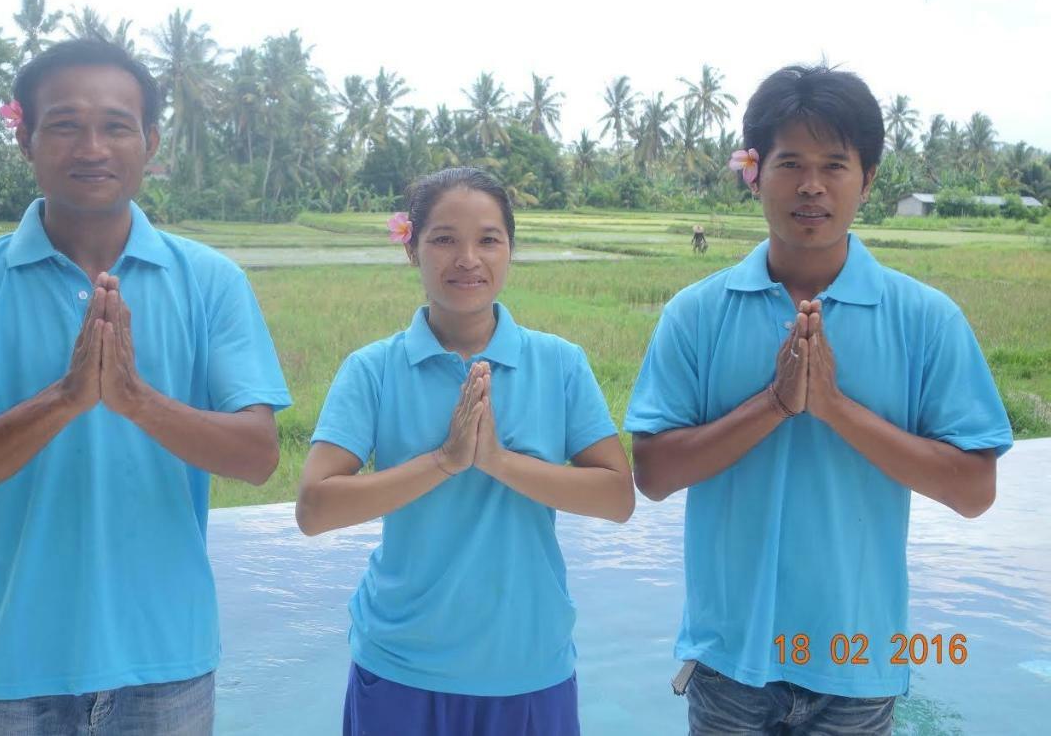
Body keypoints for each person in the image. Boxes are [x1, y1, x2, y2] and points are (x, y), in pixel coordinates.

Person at [0, 39, 291, 735]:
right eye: (65, 123)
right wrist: (65, 399)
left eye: (116, 125)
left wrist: (137, 400)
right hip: (11, 667)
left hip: (167, 661)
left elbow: (258, 455)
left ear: (150, 141)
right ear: (25, 140)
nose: (91, 146)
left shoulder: (211, 281)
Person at [625, 64, 1013, 735]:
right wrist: (775, 403)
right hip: (730, 660)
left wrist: (834, 407)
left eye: (835, 164)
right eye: (790, 163)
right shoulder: (696, 314)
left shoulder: (926, 319)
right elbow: (654, 474)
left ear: (866, 179)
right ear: (754, 174)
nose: (812, 185)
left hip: (856, 661)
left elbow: (974, 489)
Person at [295, 167, 635, 736]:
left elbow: (617, 497)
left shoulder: (559, 363)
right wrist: (444, 462)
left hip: (528, 666)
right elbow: (315, 509)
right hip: (402, 666)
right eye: (444, 239)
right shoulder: (373, 369)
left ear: (510, 249)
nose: (468, 259)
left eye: (488, 239)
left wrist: (498, 461)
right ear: (412, 249)